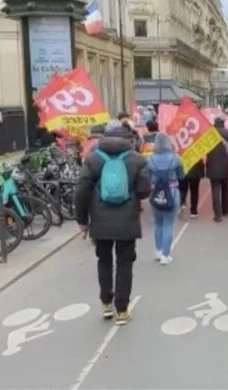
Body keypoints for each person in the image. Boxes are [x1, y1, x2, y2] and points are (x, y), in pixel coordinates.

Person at [74, 120, 151, 325]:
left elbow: (81, 191)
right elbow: (145, 191)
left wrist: (82, 219)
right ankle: (122, 309)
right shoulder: (137, 159)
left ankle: (106, 303)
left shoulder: (93, 159)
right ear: (128, 139)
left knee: (104, 260)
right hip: (127, 220)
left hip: (100, 221)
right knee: (125, 263)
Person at [147, 133, 183, 265]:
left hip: (155, 192)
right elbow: (182, 175)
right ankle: (166, 255)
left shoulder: (150, 159)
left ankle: (158, 250)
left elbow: (147, 176)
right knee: (168, 223)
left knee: (158, 223)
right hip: (172, 191)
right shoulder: (176, 158)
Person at [206, 117, 228, 222]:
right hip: (225, 164)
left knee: (215, 189)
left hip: (212, 164)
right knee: (225, 187)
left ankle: (217, 214)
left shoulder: (209, 134)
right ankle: (226, 210)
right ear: (223, 123)